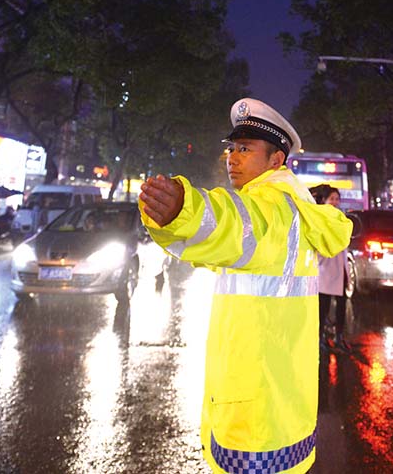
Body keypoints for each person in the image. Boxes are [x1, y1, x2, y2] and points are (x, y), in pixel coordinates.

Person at [139, 97, 352, 474]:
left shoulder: (272, 208)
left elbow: (233, 226)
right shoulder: (292, 206)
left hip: (256, 414)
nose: (232, 158)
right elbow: (220, 250)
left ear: (276, 161)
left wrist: (184, 211)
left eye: (245, 149)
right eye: (232, 148)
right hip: (278, 402)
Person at [310, 184, 351, 353]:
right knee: (323, 307)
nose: (334, 202)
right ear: (324, 201)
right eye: (331, 199)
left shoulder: (341, 217)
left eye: (336, 199)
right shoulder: (319, 217)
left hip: (340, 267)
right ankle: (320, 339)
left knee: (341, 305)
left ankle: (339, 336)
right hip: (324, 268)